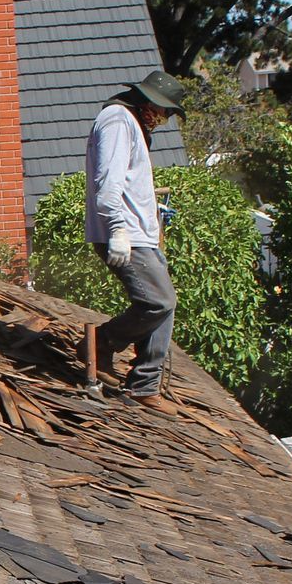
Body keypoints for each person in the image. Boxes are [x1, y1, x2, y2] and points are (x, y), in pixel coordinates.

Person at [84, 69, 186, 411]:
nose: (164, 119)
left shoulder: (132, 125)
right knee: (158, 302)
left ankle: (145, 384)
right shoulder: (117, 120)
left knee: (165, 305)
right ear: (150, 103)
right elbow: (107, 186)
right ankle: (101, 342)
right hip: (126, 235)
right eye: (165, 111)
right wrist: (117, 230)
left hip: (141, 235)